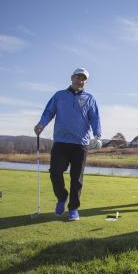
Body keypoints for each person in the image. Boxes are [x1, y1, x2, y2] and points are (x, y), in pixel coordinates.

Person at [34, 68, 102, 221]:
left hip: (80, 144)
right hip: (61, 141)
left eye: (84, 79)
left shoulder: (90, 98)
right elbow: (49, 111)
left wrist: (98, 135)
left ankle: (73, 209)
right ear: (72, 78)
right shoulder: (59, 95)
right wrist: (41, 124)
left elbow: (95, 118)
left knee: (77, 178)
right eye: (78, 77)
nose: (81, 81)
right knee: (55, 172)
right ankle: (62, 197)